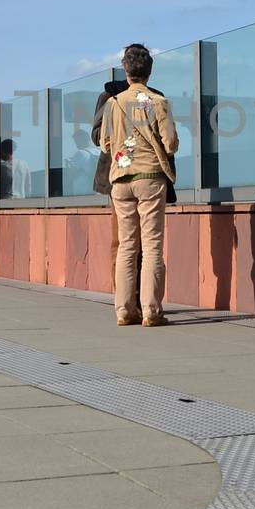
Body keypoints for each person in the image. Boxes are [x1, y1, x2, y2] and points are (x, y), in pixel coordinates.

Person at [100, 44, 179, 327]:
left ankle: (124, 310)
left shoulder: (113, 103)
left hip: (120, 179)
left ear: (126, 69)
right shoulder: (158, 101)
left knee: (126, 246)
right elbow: (170, 143)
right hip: (150, 178)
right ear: (149, 71)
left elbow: (105, 143)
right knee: (153, 245)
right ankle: (151, 311)